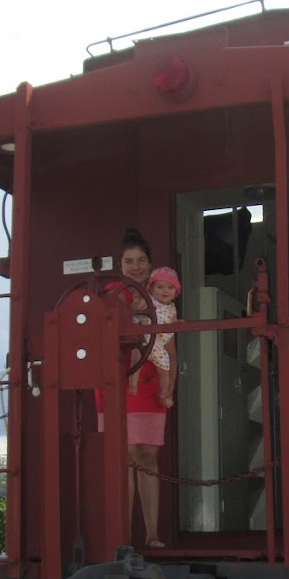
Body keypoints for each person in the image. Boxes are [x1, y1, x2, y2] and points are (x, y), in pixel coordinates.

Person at [98, 229, 170, 548]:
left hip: (151, 379)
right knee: (124, 456)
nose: (136, 266)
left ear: (150, 263)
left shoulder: (162, 294)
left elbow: (169, 337)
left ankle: (152, 533)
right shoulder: (114, 292)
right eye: (129, 261)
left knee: (148, 455)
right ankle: (123, 534)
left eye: (141, 260)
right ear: (119, 265)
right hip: (118, 379)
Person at [145, 266, 180, 409]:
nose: (165, 291)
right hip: (151, 340)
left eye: (170, 287)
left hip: (162, 340)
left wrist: (179, 324)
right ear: (152, 289)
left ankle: (167, 393)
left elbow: (174, 321)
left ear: (176, 291)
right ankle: (164, 393)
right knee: (164, 367)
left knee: (168, 362)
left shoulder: (172, 307)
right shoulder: (151, 302)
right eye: (160, 287)